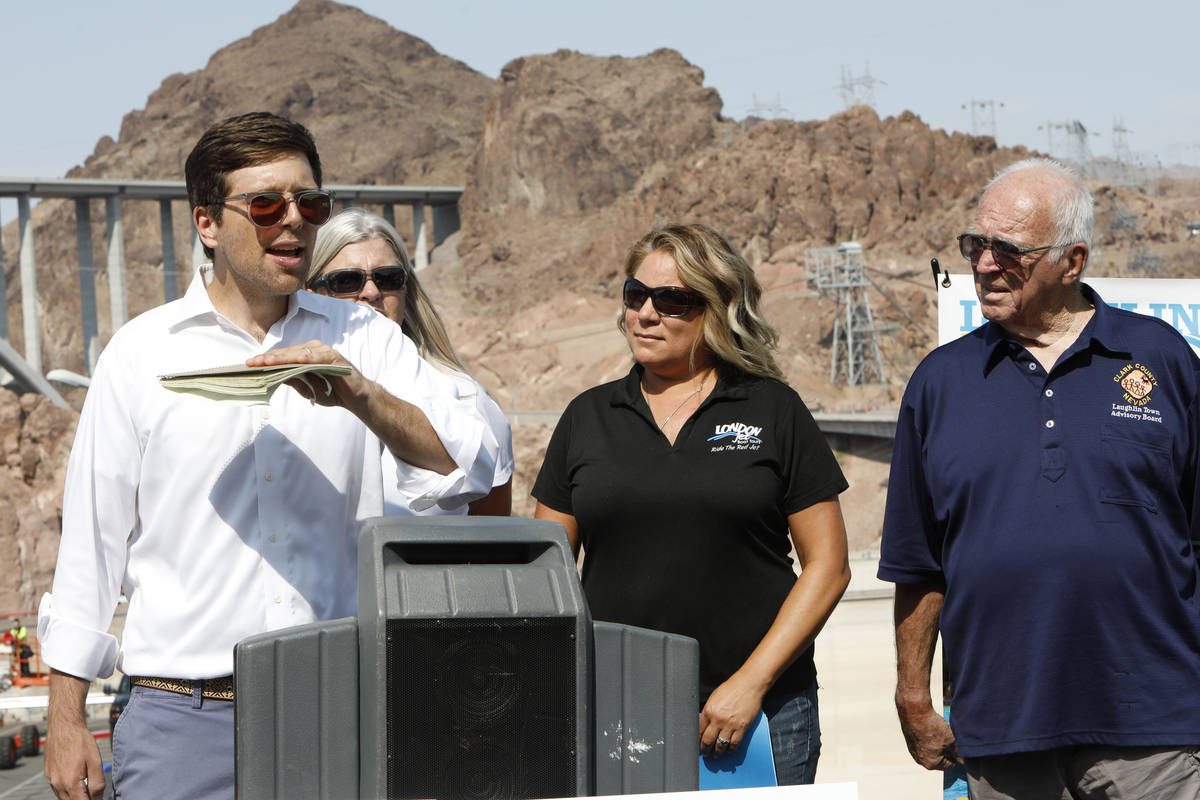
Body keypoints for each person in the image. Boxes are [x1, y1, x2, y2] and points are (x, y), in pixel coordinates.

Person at [38, 112, 492, 800]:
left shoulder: (364, 338)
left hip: (339, 710)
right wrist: (65, 716)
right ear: (208, 223)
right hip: (181, 723)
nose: (294, 222)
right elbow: (91, 547)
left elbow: (473, 462)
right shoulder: (140, 354)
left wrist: (362, 396)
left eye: (310, 204)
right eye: (266, 204)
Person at [880, 157, 1200, 798]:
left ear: (1072, 262)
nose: (985, 264)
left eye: (1009, 251)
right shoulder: (940, 382)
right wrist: (914, 696)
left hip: (1153, 730)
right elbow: (919, 561)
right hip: (1002, 727)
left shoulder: (1161, 358)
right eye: (975, 245)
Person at [532, 223, 851, 784]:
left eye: (672, 300)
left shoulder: (774, 410)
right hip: (617, 714)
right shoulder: (586, 417)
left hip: (761, 715)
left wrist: (750, 684)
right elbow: (546, 578)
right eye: (636, 295)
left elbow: (828, 567)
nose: (646, 314)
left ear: (717, 309)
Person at [307, 208, 513, 516]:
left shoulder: (467, 401)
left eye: (388, 278)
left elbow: (491, 538)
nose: (371, 292)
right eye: (346, 281)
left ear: (407, 289)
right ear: (311, 293)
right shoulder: (285, 397)